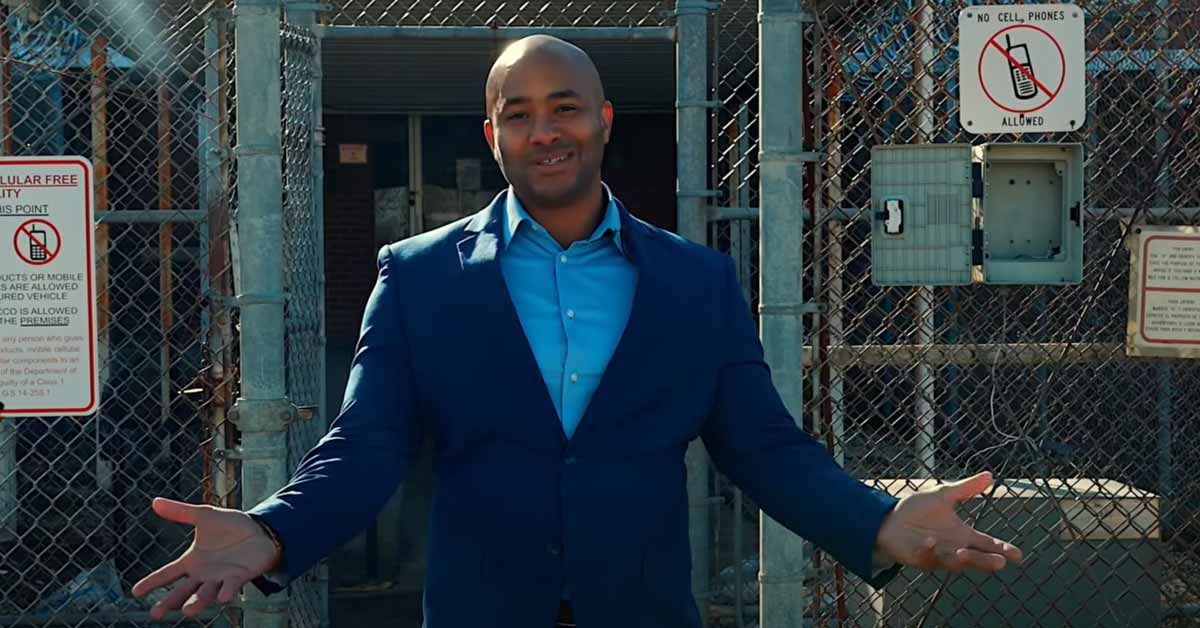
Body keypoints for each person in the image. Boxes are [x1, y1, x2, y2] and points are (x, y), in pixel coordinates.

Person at [132, 35, 1022, 627]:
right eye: (518, 113)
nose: (543, 129)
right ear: (493, 135)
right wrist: (273, 529)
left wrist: (876, 521)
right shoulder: (418, 277)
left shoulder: (694, 281)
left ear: (601, 119)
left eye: (564, 106)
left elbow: (763, 448)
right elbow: (365, 448)